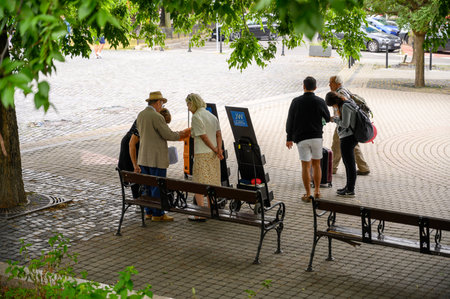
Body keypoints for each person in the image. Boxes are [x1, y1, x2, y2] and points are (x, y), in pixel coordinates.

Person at [132, 91, 189, 222]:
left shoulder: (141, 115)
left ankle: (149, 212)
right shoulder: (157, 117)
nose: (162, 107)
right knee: (158, 186)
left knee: (147, 186)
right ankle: (158, 214)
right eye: (161, 104)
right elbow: (167, 134)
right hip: (156, 158)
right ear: (157, 103)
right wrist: (182, 134)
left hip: (143, 157)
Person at [286, 76, 330, 202]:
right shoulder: (320, 101)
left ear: (303, 86)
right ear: (315, 88)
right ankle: (317, 191)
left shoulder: (296, 101)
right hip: (316, 137)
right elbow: (327, 118)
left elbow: (290, 120)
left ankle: (308, 194)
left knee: (305, 166)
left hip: (301, 138)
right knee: (317, 165)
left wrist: (289, 138)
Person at [120, 108, 172, 216]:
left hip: (136, 148)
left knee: (143, 179)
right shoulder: (146, 121)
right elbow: (131, 144)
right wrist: (135, 164)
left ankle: (147, 208)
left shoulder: (150, 119)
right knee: (137, 176)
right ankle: (143, 205)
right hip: (130, 149)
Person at [186, 93, 224, 221]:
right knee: (212, 183)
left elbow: (203, 136)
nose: (188, 108)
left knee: (199, 183)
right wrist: (218, 150)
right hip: (213, 156)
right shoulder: (212, 116)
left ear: (193, 103)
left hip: (202, 154)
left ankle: (200, 213)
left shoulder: (197, 117)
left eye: (188, 104)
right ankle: (213, 210)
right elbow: (219, 134)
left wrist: (214, 148)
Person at [329, 75, 370, 175]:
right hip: (348, 124)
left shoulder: (341, 93)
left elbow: (345, 109)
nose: (329, 85)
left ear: (338, 84)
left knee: (337, 145)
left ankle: (332, 168)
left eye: (331, 82)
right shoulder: (343, 90)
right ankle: (363, 168)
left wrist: (336, 119)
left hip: (344, 124)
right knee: (352, 145)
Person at [325, 91, 357, 197]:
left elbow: (345, 124)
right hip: (348, 137)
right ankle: (348, 187)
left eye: (332, 105)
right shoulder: (347, 103)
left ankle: (350, 189)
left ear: (334, 102)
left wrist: (335, 119)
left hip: (348, 138)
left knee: (349, 164)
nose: (333, 107)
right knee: (348, 163)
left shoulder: (345, 106)